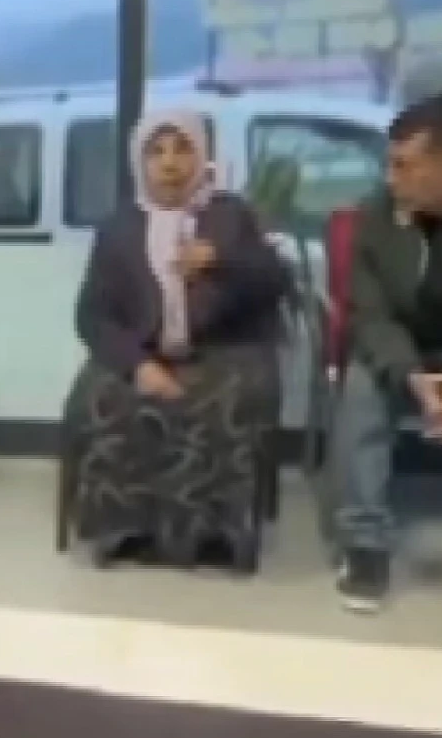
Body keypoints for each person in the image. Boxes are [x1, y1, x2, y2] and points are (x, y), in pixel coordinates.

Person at [62, 109, 289, 568]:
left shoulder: (229, 215)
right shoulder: (118, 228)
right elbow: (92, 316)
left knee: (223, 404)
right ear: (140, 162)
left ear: (202, 156)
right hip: (144, 351)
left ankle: (216, 535)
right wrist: (137, 365)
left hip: (225, 349)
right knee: (109, 400)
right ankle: (125, 529)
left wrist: (219, 258)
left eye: (182, 149)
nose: (169, 163)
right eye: (157, 152)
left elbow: (275, 278)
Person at [331, 93, 442, 613]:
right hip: (407, 347)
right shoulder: (378, 218)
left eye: (405, 165)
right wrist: (412, 376)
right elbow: (370, 315)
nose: (391, 179)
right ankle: (364, 543)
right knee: (363, 384)